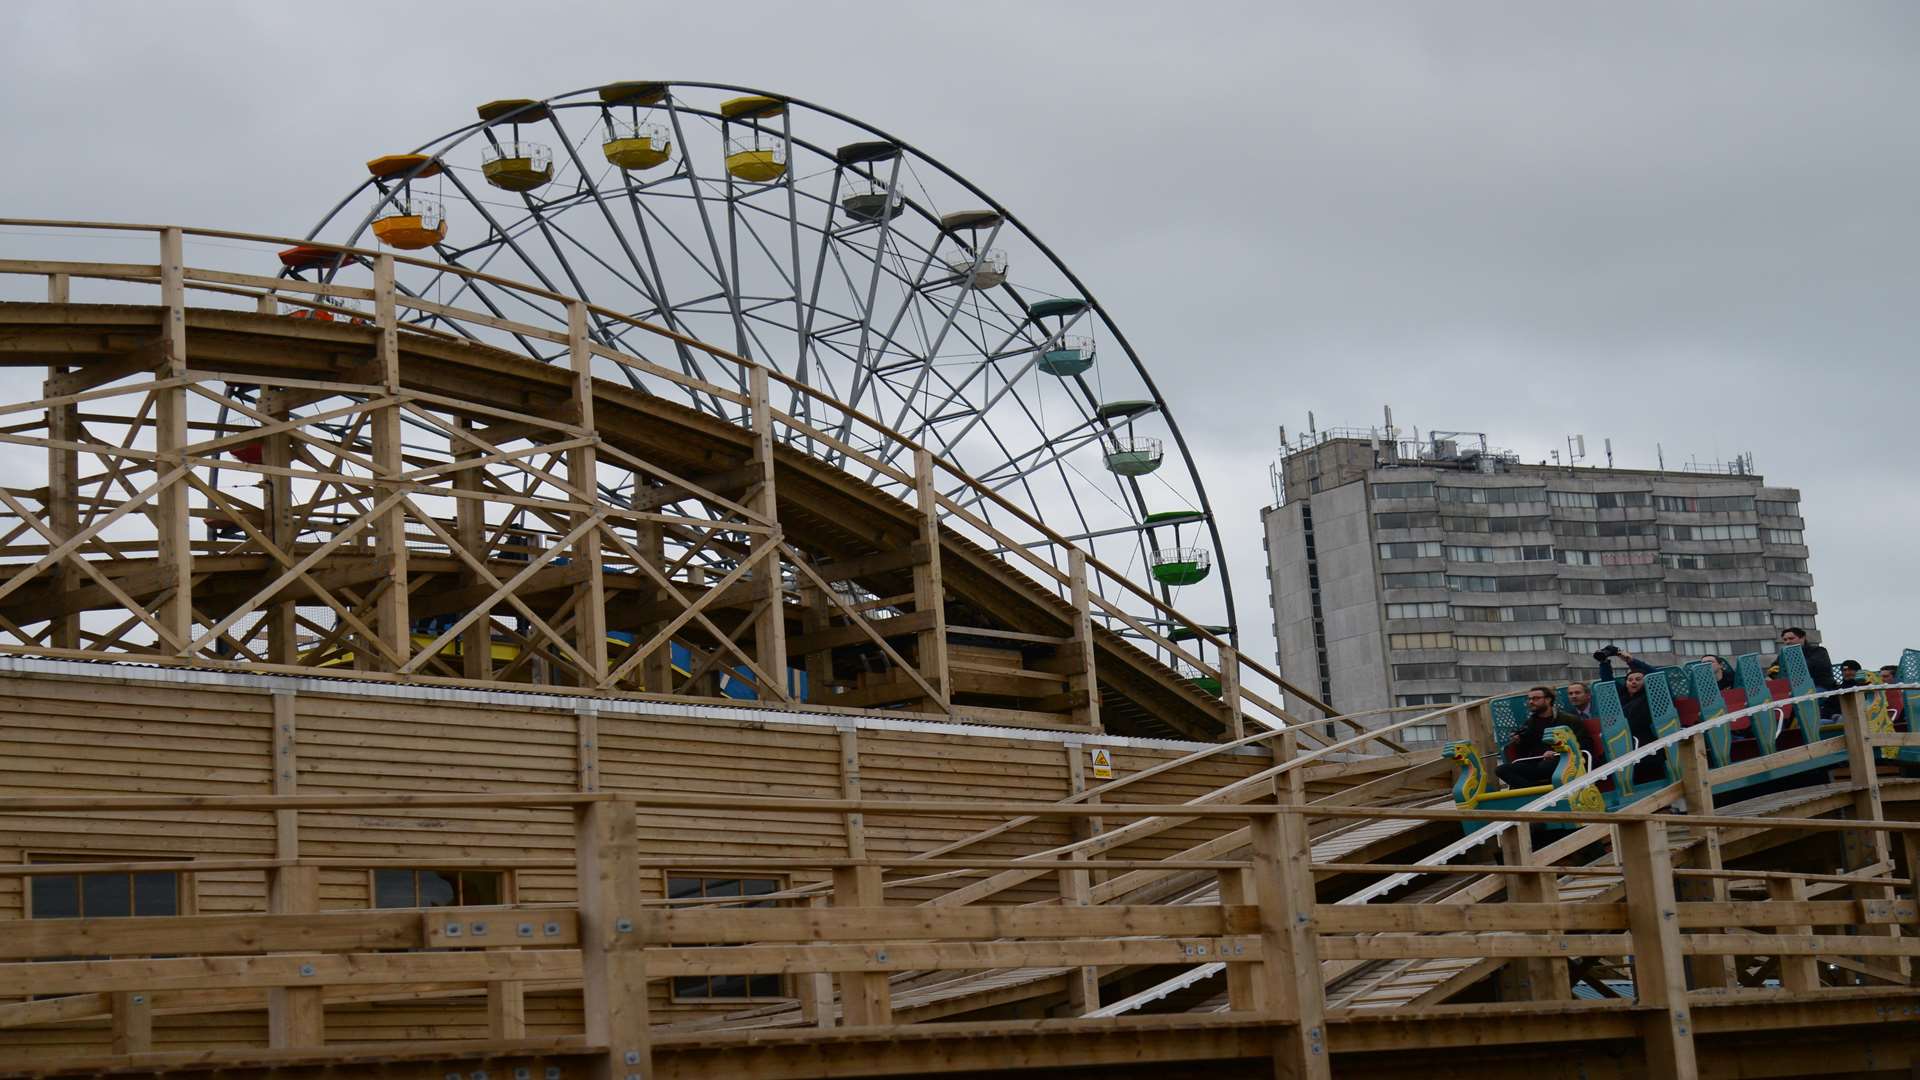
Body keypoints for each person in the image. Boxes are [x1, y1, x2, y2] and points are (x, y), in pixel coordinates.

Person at [1497, 686, 1598, 788]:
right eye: (1529, 699)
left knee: (1547, 765)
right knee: (1501, 770)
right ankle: (1534, 791)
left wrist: (1558, 752)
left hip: (1563, 761)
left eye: (1536, 698)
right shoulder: (1529, 723)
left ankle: (1537, 791)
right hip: (1537, 763)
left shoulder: (1569, 720)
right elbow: (1524, 752)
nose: (1531, 702)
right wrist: (1518, 741)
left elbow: (1585, 745)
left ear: (1548, 699)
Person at [1778, 626, 1838, 719]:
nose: (1788, 642)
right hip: (1795, 691)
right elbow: (1776, 670)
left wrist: (1792, 664)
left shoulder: (1818, 651)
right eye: (1785, 640)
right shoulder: (1783, 656)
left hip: (1819, 687)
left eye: (1791, 638)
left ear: (1803, 638)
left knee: (1802, 702)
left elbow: (1816, 665)